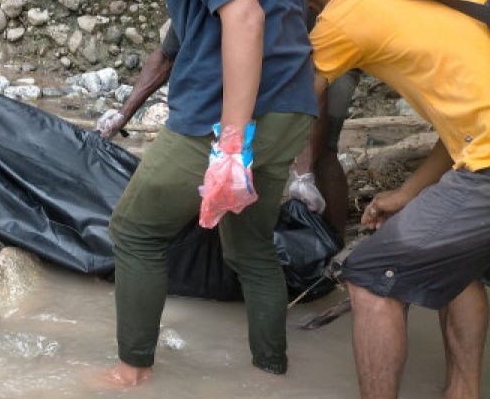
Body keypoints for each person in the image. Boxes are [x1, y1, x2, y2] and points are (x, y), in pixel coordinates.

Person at [101, 0, 317, 386]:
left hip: (226, 112)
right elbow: (263, 4)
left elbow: (243, 15)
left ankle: (129, 374)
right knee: (250, 251)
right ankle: (270, 375)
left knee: (135, 230)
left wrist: (229, 141)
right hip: (292, 106)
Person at [295, 0, 490, 399]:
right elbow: (469, 125)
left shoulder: (344, 14)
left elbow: (294, 101)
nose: (314, 10)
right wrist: (406, 194)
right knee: (456, 260)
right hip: (480, 153)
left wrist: (248, 164)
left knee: (370, 278)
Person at [100, 25, 360, 239]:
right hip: (273, 86)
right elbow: (166, 57)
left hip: (326, 58)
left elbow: (307, 95)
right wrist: (123, 114)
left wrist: (304, 172)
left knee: (324, 151)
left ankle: (332, 247)